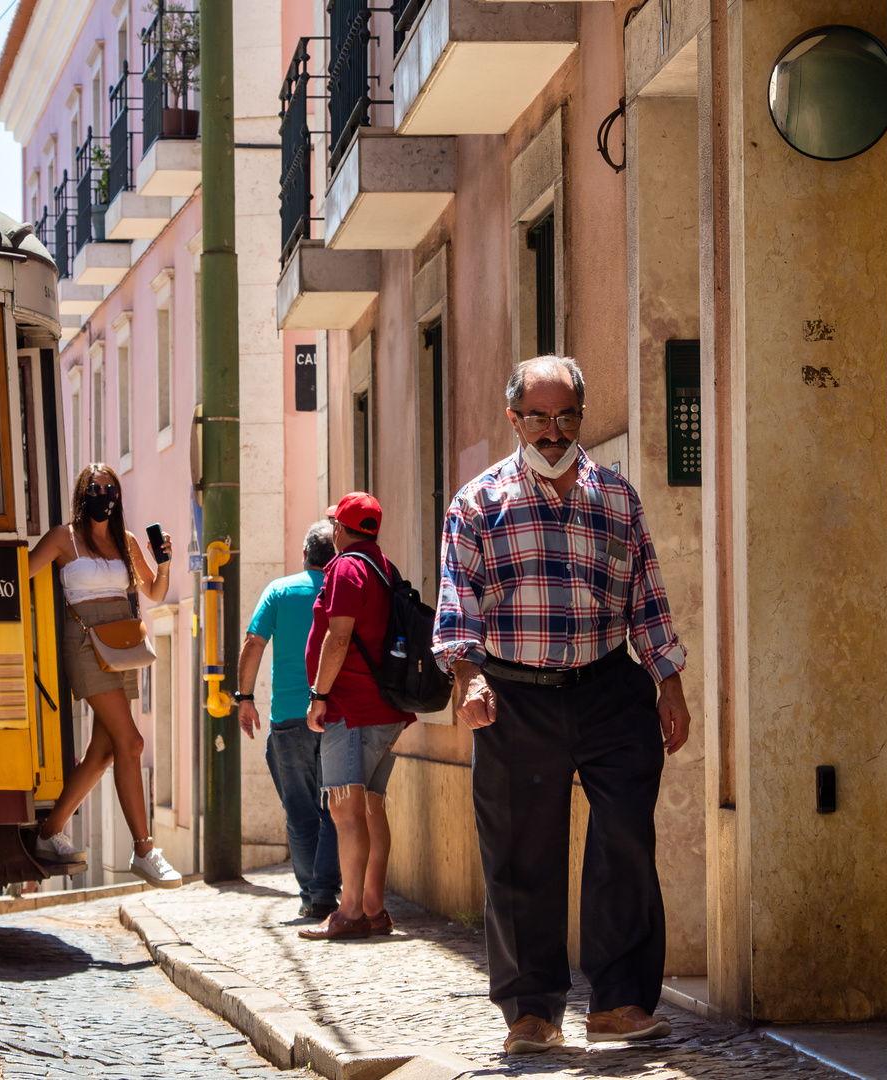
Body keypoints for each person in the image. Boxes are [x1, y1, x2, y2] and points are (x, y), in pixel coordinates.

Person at [434, 356, 692, 1055]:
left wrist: (668, 681)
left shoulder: (618, 498)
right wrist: (469, 676)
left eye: (566, 416)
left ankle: (619, 1003)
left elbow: (647, 594)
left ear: (580, 415)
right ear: (513, 419)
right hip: (516, 696)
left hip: (611, 689)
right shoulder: (477, 503)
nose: (554, 432)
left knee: (627, 837)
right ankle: (532, 1012)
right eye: (539, 418)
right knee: (521, 854)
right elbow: (458, 599)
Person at [25, 464, 182, 888]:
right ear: (82, 493)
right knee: (131, 742)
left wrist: (162, 563)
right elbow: (23, 573)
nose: (104, 493)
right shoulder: (64, 538)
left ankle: (48, 832)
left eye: (110, 487)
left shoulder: (126, 540)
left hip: (121, 641)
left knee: (105, 750)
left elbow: (152, 592)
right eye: (95, 487)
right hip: (83, 639)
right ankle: (144, 849)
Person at [298, 492, 413, 941]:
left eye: (336, 526)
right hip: (384, 707)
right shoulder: (383, 565)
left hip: (351, 708)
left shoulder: (346, 567)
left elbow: (339, 637)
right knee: (370, 808)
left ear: (342, 531)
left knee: (347, 812)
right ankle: (373, 908)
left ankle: (349, 913)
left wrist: (319, 695)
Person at [237, 521, 342, 921]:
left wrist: (245, 698)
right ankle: (326, 891)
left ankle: (312, 893)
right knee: (335, 808)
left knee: (300, 810)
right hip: (335, 715)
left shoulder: (280, 591)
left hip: (288, 719)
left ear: (304, 554)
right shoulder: (339, 590)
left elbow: (253, 643)